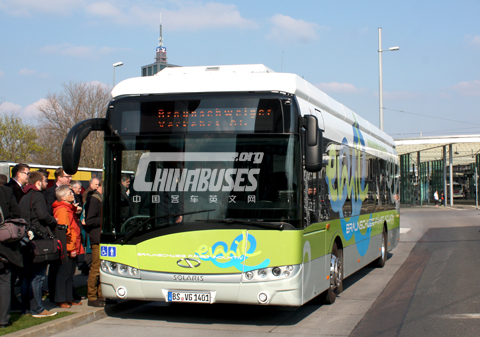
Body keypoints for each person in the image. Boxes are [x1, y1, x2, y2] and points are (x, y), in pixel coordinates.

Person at [19, 171, 58, 318]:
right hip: (39, 239)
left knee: (26, 276)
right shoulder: (38, 196)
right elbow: (42, 215)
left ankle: (26, 307)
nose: (47, 183)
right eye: (45, 180)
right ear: (37, 183)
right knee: (38, 276)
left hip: (26, 239)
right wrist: (53, 220)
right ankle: (38, 308)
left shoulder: (24, 196)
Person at [52, 185, 84, 308]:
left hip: (73, 246)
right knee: (64, 274)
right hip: (68, 248)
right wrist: (71, 249)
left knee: (70, 274)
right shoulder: (63, 210)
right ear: (64, 197)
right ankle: (60, 299)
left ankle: (69, 297)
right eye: (70, 193)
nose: (73, 195)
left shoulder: (68, 209)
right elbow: (65, 232)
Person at [4, 164, 30, 312]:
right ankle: (11, 302)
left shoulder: (18, 189)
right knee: (13, 271)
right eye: (27, 173)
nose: (28, 176)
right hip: (12, 233)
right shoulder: (11, 189)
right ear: (19, 174)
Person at [0, 184, 23, 328]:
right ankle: (2, 319)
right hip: (3, 244)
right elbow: (17, 213)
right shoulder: (6, 191)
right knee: (4, 281)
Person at [84, 182, 105, 307]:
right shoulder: (95, 199)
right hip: (97, 238)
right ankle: (91, 296)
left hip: (102, 238)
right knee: (96, 268)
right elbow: (89, 220)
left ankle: (101, 294)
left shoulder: (101, 199)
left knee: (103, 268)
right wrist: (105, 219)